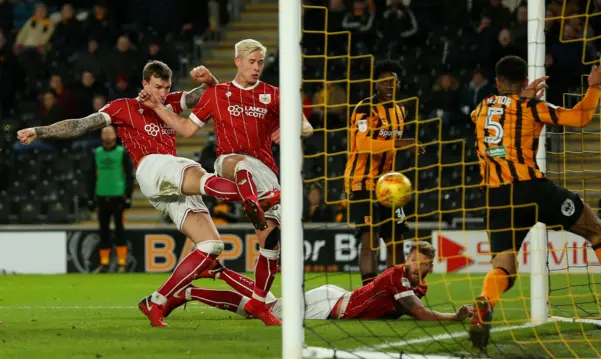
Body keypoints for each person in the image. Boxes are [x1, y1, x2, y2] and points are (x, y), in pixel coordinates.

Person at [16, 61, 279, 327]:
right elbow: (81, 125)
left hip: (170, 183)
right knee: (202, 177)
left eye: (166, 87)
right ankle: (260, 196)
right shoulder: (123, 107)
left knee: (211, 246)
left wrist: (209, 80)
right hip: (152, 167)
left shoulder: (174, 102)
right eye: (157, 87)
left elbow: (212, 94)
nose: (163, 94)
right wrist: (39, 131)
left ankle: (157, 301)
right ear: (145, 85)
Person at [137, 39, 314, 326]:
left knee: (271, 243)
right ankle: (255, 202)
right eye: (251, 61)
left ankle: (257, 302)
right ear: (237, 61)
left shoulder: (274, 95)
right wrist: (158, 108)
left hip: (265, 171)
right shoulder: (217, 93)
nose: (256, 67)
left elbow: (307, 126)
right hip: (230, 162)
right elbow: (185, 128)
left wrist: (294, 128)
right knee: (238, 163)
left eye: (260, 62)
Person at [468, 55, 601, 348]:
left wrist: (517, 97)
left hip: (496, 197)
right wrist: (595, 87)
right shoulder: (532, 107)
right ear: (525, 81)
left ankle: (486, 302)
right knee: (596, 232)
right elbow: (579, 117)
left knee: (504, 268)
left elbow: (504, 112)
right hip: (534, 190)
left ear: (496, 82)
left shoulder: (481, 108)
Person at [163, 241, 474, 322]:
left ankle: (218, 272)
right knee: (259, 308)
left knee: (267, 303)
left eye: (427, 263)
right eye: (417, 261)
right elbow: (417, 312)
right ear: (408, 260)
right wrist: (453, 316)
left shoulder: (414, 285)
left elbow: (409, 308)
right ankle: (191, 291)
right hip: (329, 305)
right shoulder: (396, 275)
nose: (421, 267)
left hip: (336, 297)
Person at [343, 60, 424, 286]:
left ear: (399, 84)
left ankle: (395, 288)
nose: (389, 86)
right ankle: (368, 291)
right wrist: (400, 143)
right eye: (384, 82)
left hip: (388, 186)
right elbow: (364, 144)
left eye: (393, 82)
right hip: (361, 182)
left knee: (395, 238)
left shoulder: (400, 110)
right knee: (370, 239)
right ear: (376, 84)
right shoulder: (364, 109)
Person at [88, 125, 134, 274]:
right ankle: (105, 264)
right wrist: (90, 197)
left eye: (110, 133)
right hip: (101, 196)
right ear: (101, 136)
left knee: (120, 230)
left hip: (118, 197)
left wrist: (128, 196)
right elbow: (90, 176)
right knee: (103, 231)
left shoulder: (122, 153)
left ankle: (122, 264)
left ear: (115, 135)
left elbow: (129, 176)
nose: (107, 136)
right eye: (105, 133)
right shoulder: (96, 153)